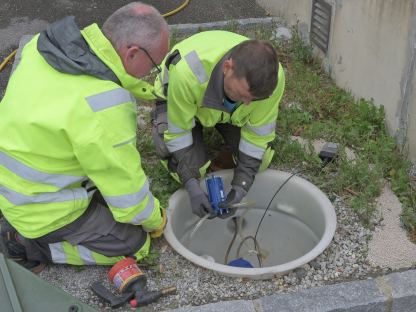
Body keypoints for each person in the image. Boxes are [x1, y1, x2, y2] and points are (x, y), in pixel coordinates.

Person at [0, 2, 170, 273]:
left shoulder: (45, 46)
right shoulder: (105, 104)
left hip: (12, 185)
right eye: (154, 65)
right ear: (133, 53)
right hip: (42, 208)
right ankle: (29, 245)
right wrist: (154, 219)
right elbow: (128, 198)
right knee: (135, 243)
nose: (153, 73)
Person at [151, 31, 285, 219]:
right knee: (183, 165)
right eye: (241, 94)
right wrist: (191, 185)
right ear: (227, 67)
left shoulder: (273, 80)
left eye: (253, 100)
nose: (247, 104)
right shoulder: (188, 74)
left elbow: (258, 137)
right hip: (185, 102)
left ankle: (224, 129)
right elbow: (178, 133)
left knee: (260, 162)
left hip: (226, 112)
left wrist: (240, 188)